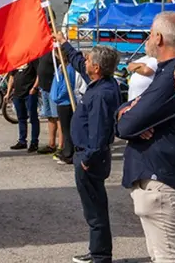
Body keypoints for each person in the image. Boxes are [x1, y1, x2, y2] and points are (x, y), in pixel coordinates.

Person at [116, 11, 175, 261]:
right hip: (157, 176)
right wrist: (125, 114)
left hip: (161, 179)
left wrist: (129, 118)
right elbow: (128, 112)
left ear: (158, 38)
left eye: (150, 34)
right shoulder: (168, 72)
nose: (148, 39)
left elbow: (128, 125)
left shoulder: (174, 74)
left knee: (169, 257)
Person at [53, 32, 120, 263]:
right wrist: (64, 44)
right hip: (87, 156)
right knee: (93, 207)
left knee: (95, 210)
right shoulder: (101, 81)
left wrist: (87, 158)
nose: (85, 61)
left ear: (98, 68)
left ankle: (100, 255)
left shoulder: (102, 93)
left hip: (90, 159)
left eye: (90, 59)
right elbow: (78, 63)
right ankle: (97, 250)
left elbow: (99, 133)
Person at [50, 48, 86, 165]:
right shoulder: (61, 68)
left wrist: (58, 96)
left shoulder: (69, 69)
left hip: (66, 102)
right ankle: (67, 150)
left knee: (67, 129)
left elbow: (67, 86)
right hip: (61, 102)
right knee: (66, 129)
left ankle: (69, 153)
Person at [5, 60, 40, 152]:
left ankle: (34, 142)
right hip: (17, 94)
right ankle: (22, 141)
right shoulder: (16, 60)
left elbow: (38, 75)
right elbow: (11, 77)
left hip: (29, 93)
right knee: (21, 118)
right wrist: (8, 93)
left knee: (33, 118)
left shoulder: (32, 60)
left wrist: (34, 88)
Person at [36, 50, 60, 155]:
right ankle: (51, 144)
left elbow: (62, 65)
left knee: (58, 118)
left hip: (54, 90)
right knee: (50, 117)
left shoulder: (54, 52)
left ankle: (61, 146)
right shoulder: (42, 52)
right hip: (44, 89)